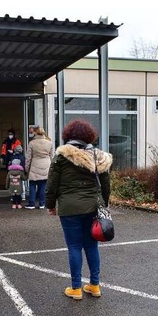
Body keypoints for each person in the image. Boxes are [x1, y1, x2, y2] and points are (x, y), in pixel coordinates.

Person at [46, 119, 113, 300]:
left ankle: (76, 288)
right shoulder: (98, 157)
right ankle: (94, 285)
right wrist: (104, 205)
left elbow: (52, 183)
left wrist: (50, 205)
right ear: (89, 136)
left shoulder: (61, 156)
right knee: (91, 246)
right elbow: (106, 185)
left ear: (68, 135)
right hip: (92, 207)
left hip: (69, 208)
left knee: (74, 247)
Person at [25, 126, 54, 209]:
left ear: (35, 133)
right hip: (46, 165)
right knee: (43, 185)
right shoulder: (49, 142)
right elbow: (51, 156)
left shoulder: (32, 143)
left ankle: (31, 204)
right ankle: (42, 203)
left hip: (35, 165)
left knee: (32, 185)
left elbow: (28, 158)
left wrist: (27, 169)